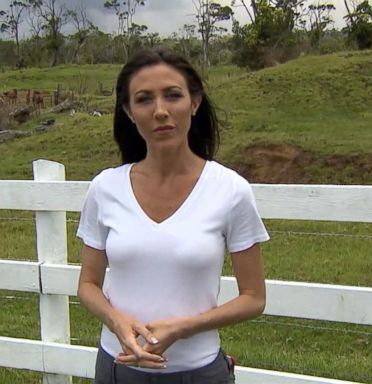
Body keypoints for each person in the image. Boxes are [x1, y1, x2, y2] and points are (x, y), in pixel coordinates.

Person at [77, 47, 270, 384]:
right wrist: (116, 321)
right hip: (115, 370)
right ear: (129, 111)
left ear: (194, 103)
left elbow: (253, 298)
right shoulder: (105, 188)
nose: (161, 111)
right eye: (144, 99)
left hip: (198, 373)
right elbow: (88, 285)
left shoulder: (230, 191)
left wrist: (182, 328)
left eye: (173, 95)